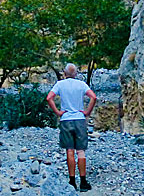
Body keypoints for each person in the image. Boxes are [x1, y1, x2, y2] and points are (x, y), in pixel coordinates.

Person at [46, 63, 97, 192]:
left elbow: (49, 98)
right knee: (81, 151)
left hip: (66, 120)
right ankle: (84, 182)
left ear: (65, 73)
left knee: (70, 150)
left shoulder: (60, 84)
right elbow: (93, 97)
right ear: (75, 73)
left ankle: (72, 181)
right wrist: (87, 112)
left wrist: (58, 112)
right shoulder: (81, 84)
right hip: (80, 119)